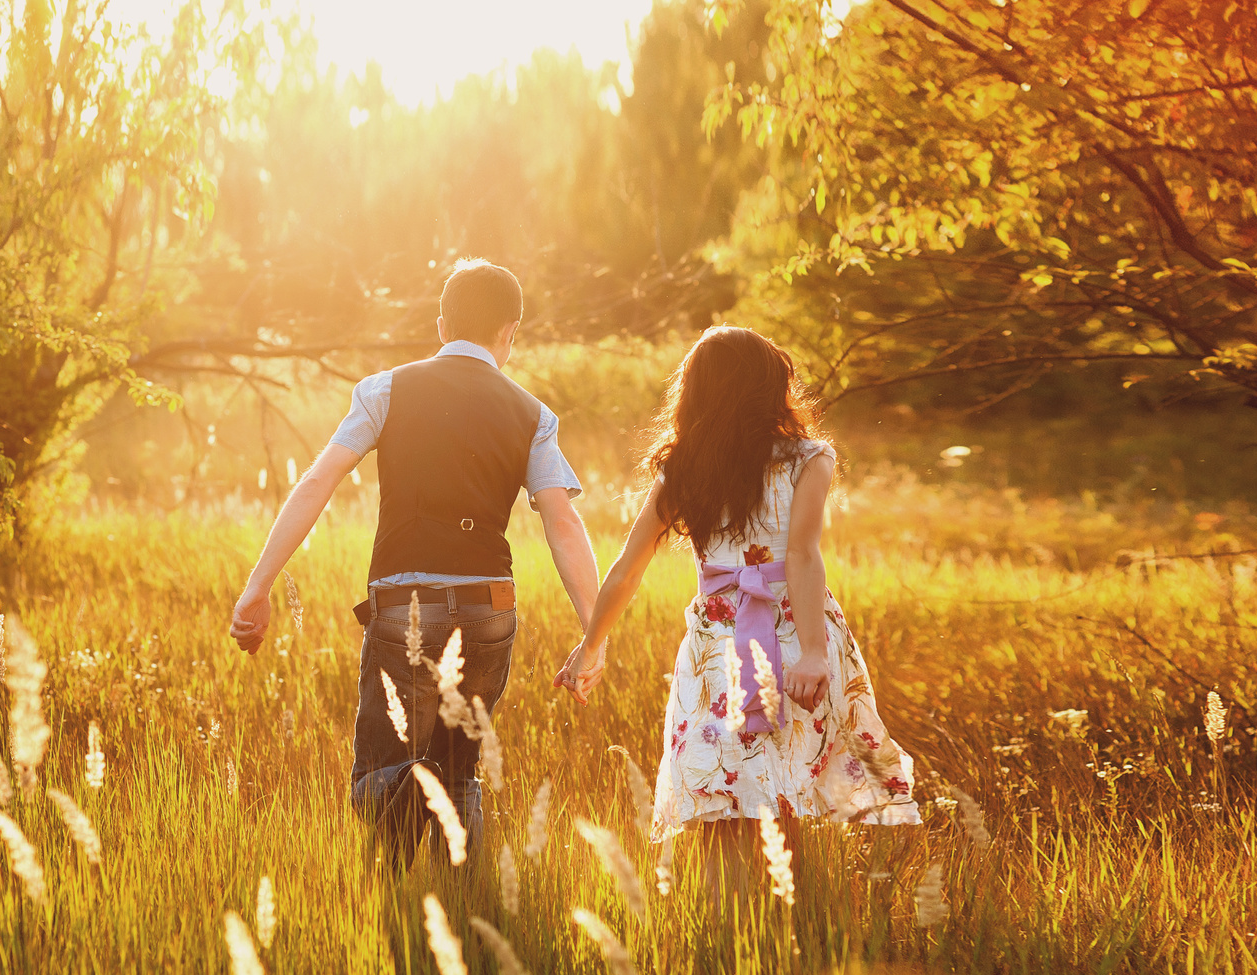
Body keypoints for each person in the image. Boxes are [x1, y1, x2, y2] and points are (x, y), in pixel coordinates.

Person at [231, 259, 600, 864]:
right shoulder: (534, 415)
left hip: (406, 609)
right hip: (489, 613)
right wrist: (595, 632)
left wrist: (258, 588)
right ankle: (460, 896)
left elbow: (318, 481)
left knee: (383, 770)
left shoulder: (385, 390)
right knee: (460, 773)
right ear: (510, 332)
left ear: (440, 324)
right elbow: (562, 522)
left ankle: (395, 865)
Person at [556, 326, 920, 888]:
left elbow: (627, 569)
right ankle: (772, 928)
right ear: (771, 386)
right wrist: (814, 655)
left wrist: (591, 645)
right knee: (782, 792)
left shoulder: (685, 469)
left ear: (696, 393)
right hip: (794, 636)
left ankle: (742, 936)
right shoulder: (809, 458)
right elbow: (799, 556)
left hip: (719, 646)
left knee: (722, 793)